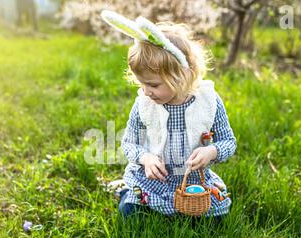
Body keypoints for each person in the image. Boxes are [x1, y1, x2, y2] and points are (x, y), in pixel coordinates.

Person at [101, 11, 237, 219]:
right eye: (141, 84)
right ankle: (126, 190)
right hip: (153, 180)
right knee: (129, 214)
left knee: (216, 216)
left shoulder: (208, 101)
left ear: (181, 76)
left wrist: (211, 152)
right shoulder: (144, 104)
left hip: (192, 181)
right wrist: (145, 158)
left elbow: (228, 141)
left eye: (153, 85)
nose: (146, 91)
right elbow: (129, 144)